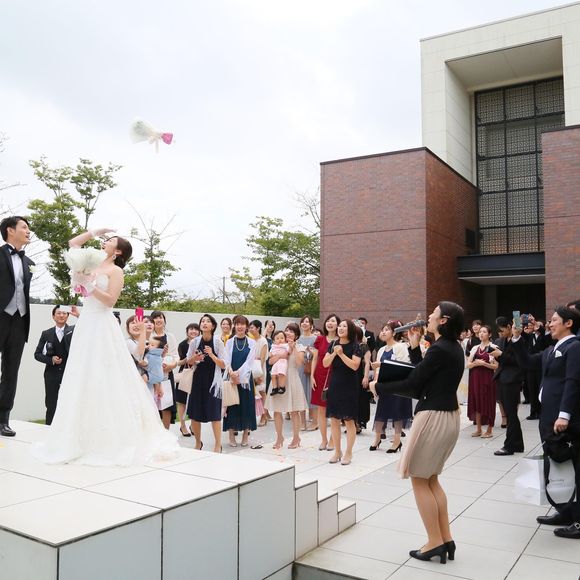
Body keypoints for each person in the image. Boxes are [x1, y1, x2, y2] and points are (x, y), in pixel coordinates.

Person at [32, 228, 177, 465]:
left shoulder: (116, 270)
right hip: (86, 323)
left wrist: (89, 286)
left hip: (102, 322)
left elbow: (110, 300)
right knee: (81, 374)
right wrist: (94, 232)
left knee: (105, 373)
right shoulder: (93, 263)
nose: (104, 242)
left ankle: (112, 436)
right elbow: (73, 244)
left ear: (118, 251)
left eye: (109, 241)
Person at [370, 301, 465, 564]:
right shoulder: (452, 347)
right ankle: (445, 539)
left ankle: (434, 542)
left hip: (433, 417)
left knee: (420, 479)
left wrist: (380, 386)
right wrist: (414, 347)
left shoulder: (439, 349)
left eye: (434, 313)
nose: (429, 317)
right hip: (448, 415)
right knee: (431, 479)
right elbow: (426, 376)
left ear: (443, 321)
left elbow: (414, 383)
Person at [511, 306, 580, 539]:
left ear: (569, 323)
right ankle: (566, 510)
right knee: (559, 466)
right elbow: (527, 362)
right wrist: (518, 338)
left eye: (554, 320)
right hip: (548, 418)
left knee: (575, 468)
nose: (550, 324)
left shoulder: (574, 347)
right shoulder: (551, 350)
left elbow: (572, 382)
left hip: (564, 420)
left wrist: (564, 415)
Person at [0, 216, 34, 437]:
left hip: (19, 321)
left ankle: (3, 420)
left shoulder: (27, 261)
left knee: (11, 372)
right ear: (10, 230)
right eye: (24, 227)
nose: (28, 231)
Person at [323, 319, 362, 465]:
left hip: (349, 386)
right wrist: (334, 353)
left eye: (344, 326)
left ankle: (348, 452)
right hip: (335, 385)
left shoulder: (356, 346)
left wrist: (341, 354)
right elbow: (325, 363)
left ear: (350, 329)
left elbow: (354, 366)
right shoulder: (333, 344)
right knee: (334, 419)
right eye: (340, 326)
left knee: (349, 420)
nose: (340, 328)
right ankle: (337, 451)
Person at [370, 321, 412, 452]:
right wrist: (375, 384)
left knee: (397, 413)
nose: (383, 332)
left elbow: (403, 366)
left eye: (387, 329)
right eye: (382, 330)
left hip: (397, 385)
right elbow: (377, 371)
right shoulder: (381, 350)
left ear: (394, 333)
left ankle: (397, 441)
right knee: (381, 411)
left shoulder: (400, 347)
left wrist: (381, 365)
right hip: (384, 385)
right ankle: (377, 438)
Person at [186, 314, 226, 453]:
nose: (204, 323)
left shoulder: (218, 342)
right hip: (198, 380)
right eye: (202, 321)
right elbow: (189, 361)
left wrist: (212, 355)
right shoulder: (194, 342)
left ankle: (218, 445)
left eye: (208, 321)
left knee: (215, 414)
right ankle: (198, 443)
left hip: (213, 382)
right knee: (195, 414)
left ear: (213, 326)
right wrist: (195, 357)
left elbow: (223, 364)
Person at [266, 323, 308, 449]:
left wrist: (293, 348)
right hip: (278, 379)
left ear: (296, 335)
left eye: (292, 331)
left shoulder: (300, 347)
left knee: (294, 411)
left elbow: (300, 363)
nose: (288, 333)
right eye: (287, 330)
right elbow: (270, 362)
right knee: (277, 410)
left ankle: (296, 437)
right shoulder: (277, 345)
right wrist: (280, 355)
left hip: (292, 378)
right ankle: (279, 437)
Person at [34, 306, 75, 424]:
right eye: (58, 313)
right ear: (53, 316)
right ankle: (49, 428)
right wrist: (51, 359)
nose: (61, 315)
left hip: (69, 373)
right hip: (51, 374)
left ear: (68, 316)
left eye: (64, 313)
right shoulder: (46, 333)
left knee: (69, 403)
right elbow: (37, 354)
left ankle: (67, 428)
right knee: (51, 403)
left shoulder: (73, 331)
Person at [491, 316, 526, 456]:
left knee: (511, 414)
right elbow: (504, 360)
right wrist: (496, 355)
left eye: (502, 330)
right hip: (502, 378)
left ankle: (509, 446)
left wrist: (501, 355)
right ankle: (518, 444)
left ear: (509, 327)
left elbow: (519, 361)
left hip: (513, 379)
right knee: (511, 414)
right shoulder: (502, 340)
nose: (500, 333)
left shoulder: (519, 340)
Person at [223, 315, 257, 447]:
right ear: (234, 326)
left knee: (246, 406)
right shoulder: (230, 342)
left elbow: (250, 362)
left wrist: (238, 373)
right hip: (231, 378)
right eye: (237, 324)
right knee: (232, 406)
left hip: (245, 380)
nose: (240, 326)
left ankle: (245, 435)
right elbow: (226, 359)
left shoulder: (252, 342)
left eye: (242, 324)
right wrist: (231, 372)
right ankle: (231, 435)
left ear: (246, 326)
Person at [311, 314, 339, 451]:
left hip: (336, 376)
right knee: (321, 409)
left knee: (334, 410)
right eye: (328, 321)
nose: (330, 323)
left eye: (333, 321)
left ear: (338, 324)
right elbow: (315, 358)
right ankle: (324, 440)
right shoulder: (320, 339)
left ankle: (333, 440)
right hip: (319, 376)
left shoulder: (341, 340)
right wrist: (312, 376)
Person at [466, 325, 498, 438]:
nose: (481, 334)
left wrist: (484, 364)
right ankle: (478, 429)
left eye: (484, 332)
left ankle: (489, 429)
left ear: (489, 334)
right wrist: (476, 363)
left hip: (488, 378)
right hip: (475, 379)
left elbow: (496, 366)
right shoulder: (475, 348)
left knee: (488, 401)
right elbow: (468, 365)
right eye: (480, 332)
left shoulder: (493, 347)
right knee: (477, 401)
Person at [150, 310, 179, 429]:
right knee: (152, 404)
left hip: (167, 374)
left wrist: (172, 365)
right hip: (151, 375)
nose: (158, 320)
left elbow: (176, 355)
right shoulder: (149, 336)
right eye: (155, 318)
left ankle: (166, 432)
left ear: (164, 321)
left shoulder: (170, 337)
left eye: (160, 317)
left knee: (166, 405)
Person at [176, 323, 200, 437]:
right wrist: (189, 357)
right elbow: (179, 362)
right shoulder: (182, 345)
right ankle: (183, 426)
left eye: (196, 329)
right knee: (182, 401)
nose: (193, 331)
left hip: (199, 374)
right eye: (191, 329)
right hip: (186, 374)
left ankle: (193, 425)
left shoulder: (202, 343)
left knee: (196, 401)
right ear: (187, 332)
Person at [297, 315, 317, 430]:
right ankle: (302, 422)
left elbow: (317, 355)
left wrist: (310, 352)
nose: (304, 323)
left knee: (311, 394)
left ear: (311, 325)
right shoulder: (298, 339)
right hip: (300, 368)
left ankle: (314, 422)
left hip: (312, 369)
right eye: (303, 322)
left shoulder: (315, 339)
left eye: (307, 322)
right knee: (301, 394)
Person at [249, 319, 269, 427]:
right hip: (250, 368)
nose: (250, 329)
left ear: (258, 328)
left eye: (252, 327)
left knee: (261, 392)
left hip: (259, 369)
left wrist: (258, 374)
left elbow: (262, 358)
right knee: (253, 392)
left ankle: (264, 416)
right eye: (250, 327)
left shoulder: (263, 341)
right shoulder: (249, 339)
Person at [269, 331, 289, 395]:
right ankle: (275, 388)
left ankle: (282, 387)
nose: (280, 340)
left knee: (281, 374)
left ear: (285, 339)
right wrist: (270, 354)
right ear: (274, 340)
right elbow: (271, 353)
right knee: (273, 375)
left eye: (282, 338)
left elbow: (288, 351)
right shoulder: (273, 346)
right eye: (277, 338)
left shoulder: (286, 345)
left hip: (282, 362)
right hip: (276, 362)